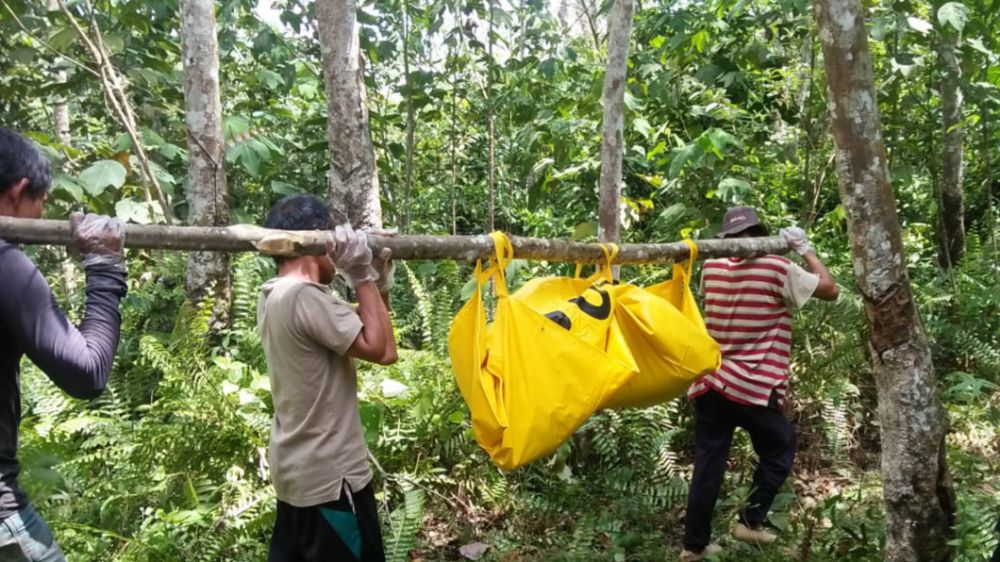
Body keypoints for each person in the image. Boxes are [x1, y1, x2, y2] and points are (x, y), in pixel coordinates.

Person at [680, 207, 838, 561]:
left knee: (708, 464)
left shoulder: (712, 267)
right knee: (780, 448)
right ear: (759, 234)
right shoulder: (776, 268)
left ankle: (693, 548)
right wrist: (805, 249)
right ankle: (750, 521)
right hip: (753, 383)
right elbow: (830, 289)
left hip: (711, 381)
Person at [0, 127, 127, 561]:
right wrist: (105, 268)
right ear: (18, 192)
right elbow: (87, 373)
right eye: (41, 204)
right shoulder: (6, 267)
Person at [258, 194, 397, 562]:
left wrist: (376, 281)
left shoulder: (275, 294)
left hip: (298, 473)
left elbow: (373, 326)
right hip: (332, 480)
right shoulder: (304, 298)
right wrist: (360, 275)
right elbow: (382, 350)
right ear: (316, 242)